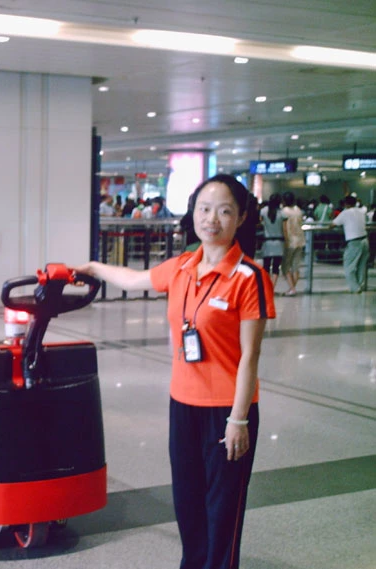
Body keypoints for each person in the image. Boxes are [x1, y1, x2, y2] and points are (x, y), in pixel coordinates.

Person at [74, 174, 275, 569]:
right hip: (183, 403)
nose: (211, 219)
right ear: (192, 212)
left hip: (227, 410)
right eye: (204, 208)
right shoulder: (183, 266)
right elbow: (133, 280)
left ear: (241, 217)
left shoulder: (250, 278)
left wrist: (239, 419)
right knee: (187, 499)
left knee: (223, 508)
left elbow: (250, 356)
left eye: (224, 210)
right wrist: (94, 267)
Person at [331, 195, 369, 293]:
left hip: (354, 242)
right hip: (365, 240)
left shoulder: (345, 213)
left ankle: (355, 288)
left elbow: (333, 224)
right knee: (362, 266)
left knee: (349, 266)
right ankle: (361, 285)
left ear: (345, 204)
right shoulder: (361, 211)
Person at [281, 191, 305, 296]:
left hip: (290, 240)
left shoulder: (284, 211)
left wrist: (286, 240)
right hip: (300, 239)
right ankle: (292, 288)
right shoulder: (298, 210)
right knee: (296, 266)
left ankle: (292, 288)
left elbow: (285, 228)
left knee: (285, 266)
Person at [259, 193, 284, 288]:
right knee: (276, 267)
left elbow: (261, 223)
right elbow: (284, 228)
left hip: (267, 242)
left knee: (266, 266)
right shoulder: (281, 213)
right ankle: (272, 287)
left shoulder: (263, 211)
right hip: (279, 242)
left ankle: (266, 286)